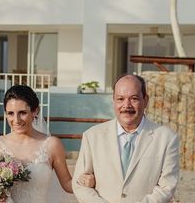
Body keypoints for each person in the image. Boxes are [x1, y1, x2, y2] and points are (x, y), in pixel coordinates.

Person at [73, 74, 179, 203]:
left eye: (134, 99)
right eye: (120, 99)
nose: (126, 105)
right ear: (113, 101)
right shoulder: (92, 136)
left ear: (145, 100)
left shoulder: (167, 138)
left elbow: (167, 187)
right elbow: (79, 184)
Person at [0, 84, 95, 202]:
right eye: (10, 113)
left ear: (35, 111)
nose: (16, 120)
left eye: (22, 113)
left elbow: (67, 184)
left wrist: (86, 182)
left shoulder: (52, 145)